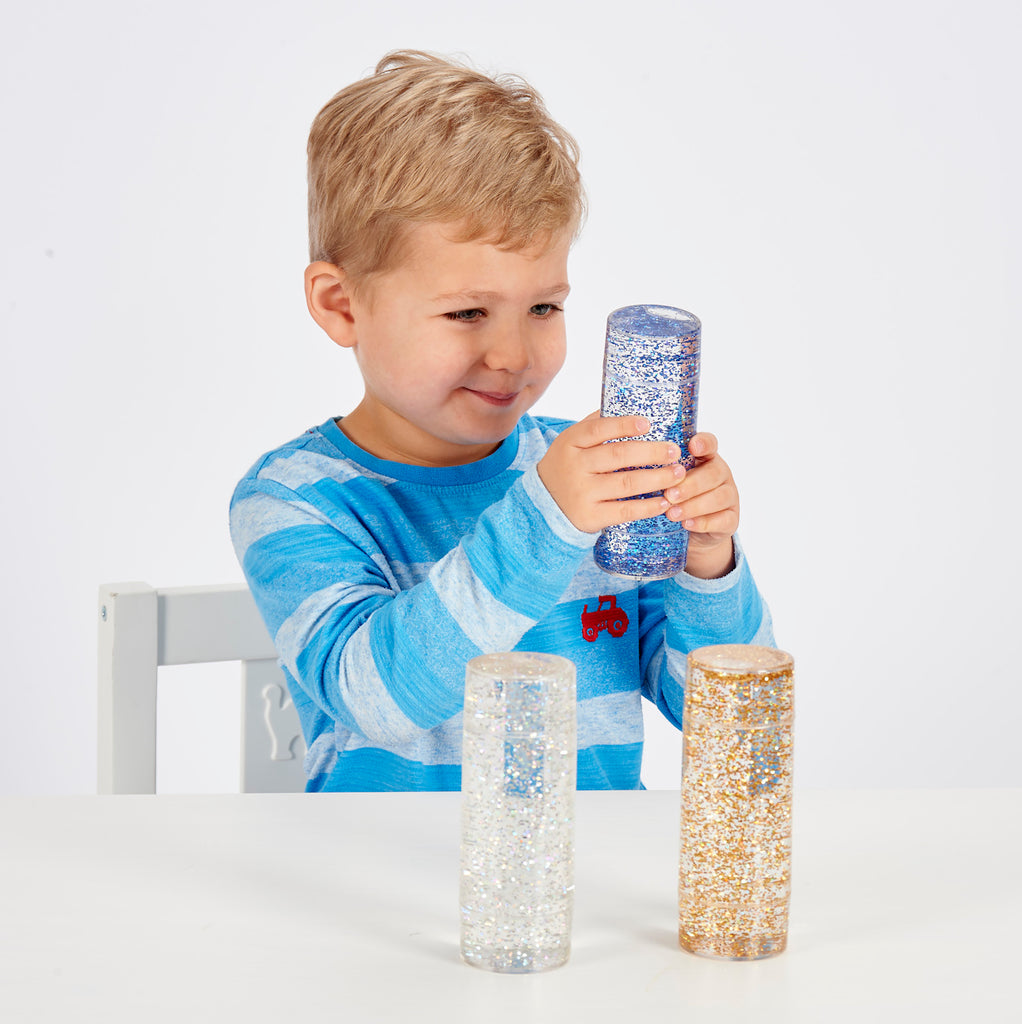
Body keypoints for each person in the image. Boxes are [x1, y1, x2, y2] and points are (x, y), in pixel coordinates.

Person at [230, 50, 774, 792]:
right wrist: (545, 522)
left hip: (594, 888)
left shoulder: (588, 482)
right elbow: (380, 698)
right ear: (341, 305)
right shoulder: (295, 499)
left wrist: (708, 565)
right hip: (384, 893)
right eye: (466, 313)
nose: (514, 354)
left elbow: (721, 721)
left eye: (544, 307)